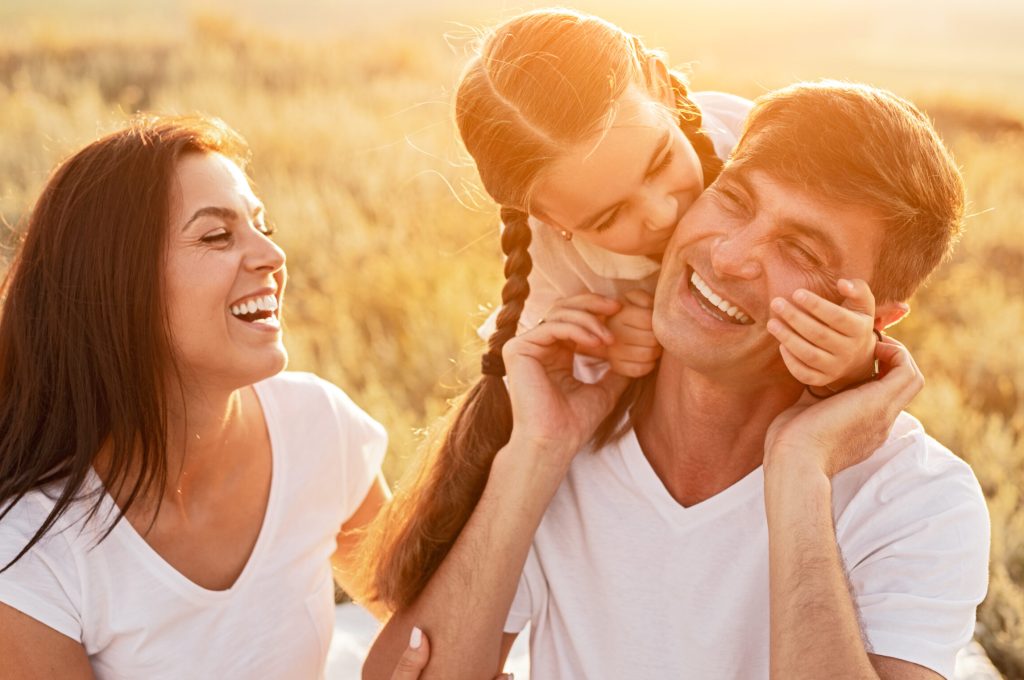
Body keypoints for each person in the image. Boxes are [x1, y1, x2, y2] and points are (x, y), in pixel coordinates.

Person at [362, 81, 990, 680]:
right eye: (734, 200)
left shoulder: (920, 502)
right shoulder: (572, 415)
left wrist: (800, 471)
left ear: (876, 318)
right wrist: (538, 451)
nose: (729, 256)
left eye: (800, 251)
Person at [357, 8, 884, 616]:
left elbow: (849, 267)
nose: (660, 214)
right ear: (554, 223)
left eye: (660, 162)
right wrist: (612, 339)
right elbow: (558, 373)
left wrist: (851, 362)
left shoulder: (750, 142)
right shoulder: (554, 259)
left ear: (659, 82)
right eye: (608, 219)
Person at [0, 116, 400, 679]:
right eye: (217, 235)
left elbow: (425, 630)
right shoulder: (30, 548)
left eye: (263, 226)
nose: (271, 255)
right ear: (119, 287)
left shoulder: (315, 424)